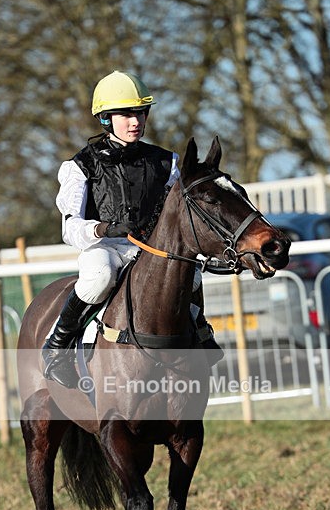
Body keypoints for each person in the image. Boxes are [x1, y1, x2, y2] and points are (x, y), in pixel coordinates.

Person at [42, 70, 221, 389]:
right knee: (99, 278)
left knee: (190, 274)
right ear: (106, 118)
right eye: (126, 113)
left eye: (141, 112)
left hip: (150, 248)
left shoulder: (167, 162)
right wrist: (104, 228)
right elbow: (70, 228)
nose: (136, 120)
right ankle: (57, 347)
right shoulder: (81, 165)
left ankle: (200, 331)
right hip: (105, 248)